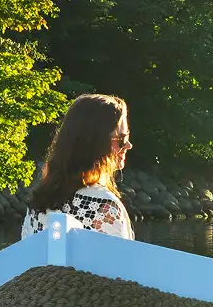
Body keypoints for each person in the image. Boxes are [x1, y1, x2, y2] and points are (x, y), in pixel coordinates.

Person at [22, 94, 134, 240]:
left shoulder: (38, 204)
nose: (128, 145)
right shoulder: (104, 206)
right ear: (95, 143)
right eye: (121, 139)